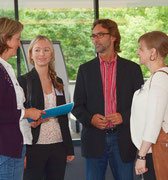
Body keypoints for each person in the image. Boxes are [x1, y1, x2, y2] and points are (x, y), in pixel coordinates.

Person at [72, 19, 144, 180]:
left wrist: (123, 116)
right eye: (93, 36)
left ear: (113, 37)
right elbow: (77, 107)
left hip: (123, 140)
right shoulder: (85, 70)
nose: (95, 39)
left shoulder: (133, 69)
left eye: (100, 35)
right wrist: (91, 119)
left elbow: (141, 106)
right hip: (94, 140)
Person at [18, 35, 75, 180]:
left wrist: (69, 147)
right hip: (34, 146)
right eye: (37, 50)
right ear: (31, 54)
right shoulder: (23, 81)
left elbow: (63, 116)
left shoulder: (58, 82)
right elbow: (18, 115)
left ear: (51, 54)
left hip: (58, 145)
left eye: (46, 50)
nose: (42, 54)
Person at [130, 31, 168, 179]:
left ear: (153, 52)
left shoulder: (160, 79)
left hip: (155, 151)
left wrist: (141, 156)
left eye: (141, 48)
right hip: (155, 149)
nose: (138, 52)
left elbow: (154, 122)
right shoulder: (162, 76)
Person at [0, 17, 45, 180]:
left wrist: (27, 120)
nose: (20, 44)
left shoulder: (6, 67)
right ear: (5, 38)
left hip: (13, 146)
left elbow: (9, 108)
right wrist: (26, 114)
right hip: (6, 149)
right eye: (17, 39)